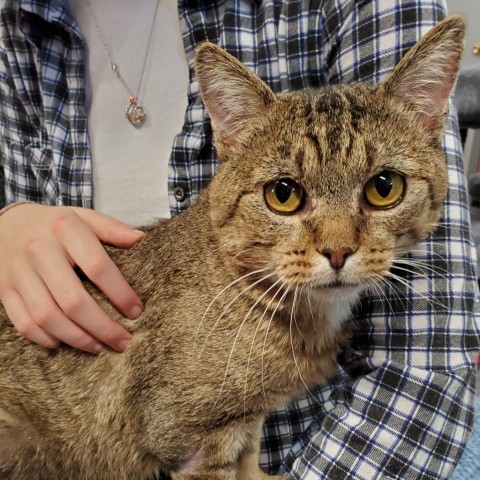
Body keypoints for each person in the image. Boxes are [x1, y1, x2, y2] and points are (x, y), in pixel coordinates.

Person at [0, 0, 479, 478]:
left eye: (382, 188)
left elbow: (428, 372)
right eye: (286, 195)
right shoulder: (17, 22)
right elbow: (177, 426)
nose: (339, 245)